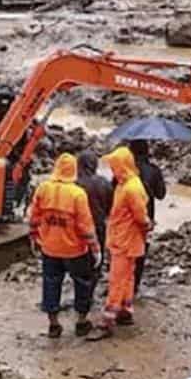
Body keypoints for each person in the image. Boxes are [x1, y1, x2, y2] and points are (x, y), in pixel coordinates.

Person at [30, 153, 100, 339]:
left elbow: (34, 217)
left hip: (50, 248)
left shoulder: (43, 189)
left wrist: (35, 238)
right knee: (82, 283)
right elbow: (85, 226)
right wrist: (95, 248)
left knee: (51, 283)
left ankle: (53, 324)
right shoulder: (77, 194)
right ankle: (81, 321)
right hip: (75, 250)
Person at [89, 146, 151, 341]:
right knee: (127, 277)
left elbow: (141, 217)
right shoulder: (126, 184)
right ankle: (125, 310)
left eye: (114, 165)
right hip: (125, 238)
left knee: (117, 279)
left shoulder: (131, 188)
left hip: (125, 240)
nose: (112, 169)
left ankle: (107, 320)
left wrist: (147, 225)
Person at [127, 140, 167, 294]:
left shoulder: (124, 170)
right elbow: (161, 195)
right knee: (141, 251)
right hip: (146, 217)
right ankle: (135, 285)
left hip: (125, 218)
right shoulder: (153, 170)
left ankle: (123, 284)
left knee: (124, 252)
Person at [76, 150, 114, 268]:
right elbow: (110, 206)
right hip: (98, 224)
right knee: (97, 258)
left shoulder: (75, 185)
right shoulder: (104, 183)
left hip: (78, 227)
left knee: (80, 258)